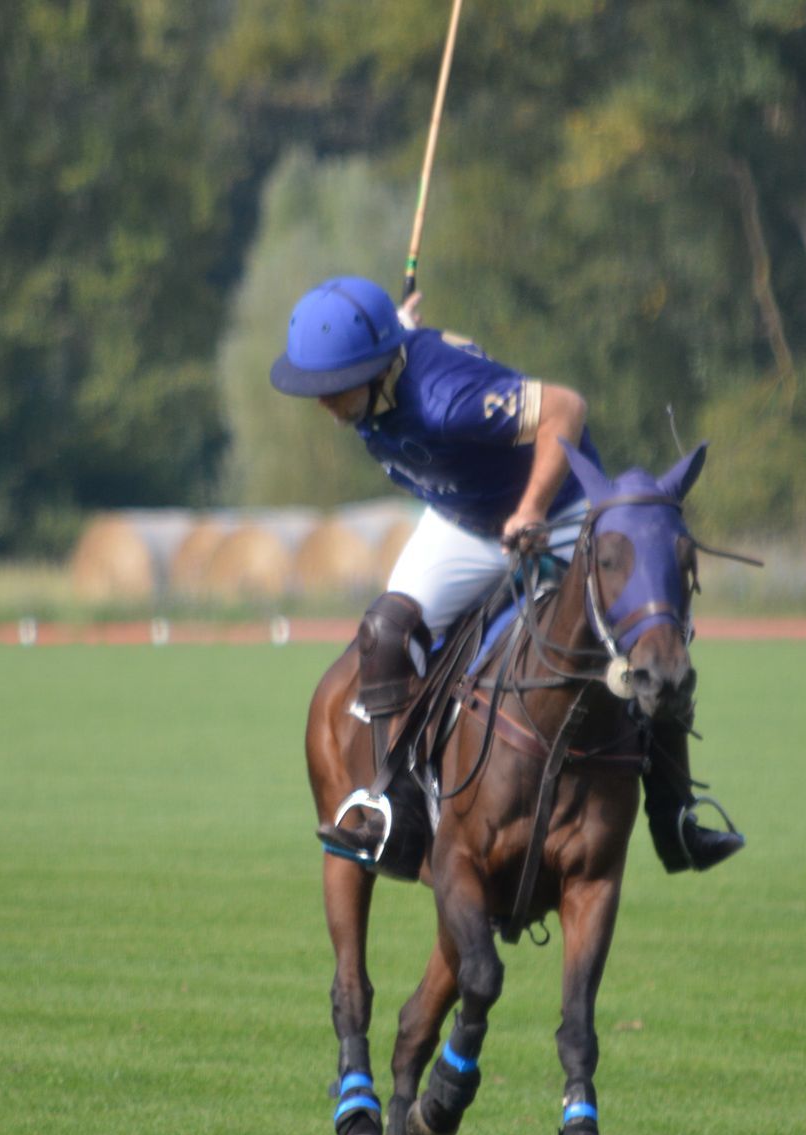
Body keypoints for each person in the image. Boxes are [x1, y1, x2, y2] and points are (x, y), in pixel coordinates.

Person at [271, 275, 743, 874]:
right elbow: (402, 347)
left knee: (644, 641)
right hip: (465, 520)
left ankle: (675, 815)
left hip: (557, 513)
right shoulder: (381, 373)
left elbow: (566, 407)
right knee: (386, 631)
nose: (322, 402)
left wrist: (532, 508)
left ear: (375, 369)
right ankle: (396, 808)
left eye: (332, 386)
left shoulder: (446, 397)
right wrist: (400, 326)